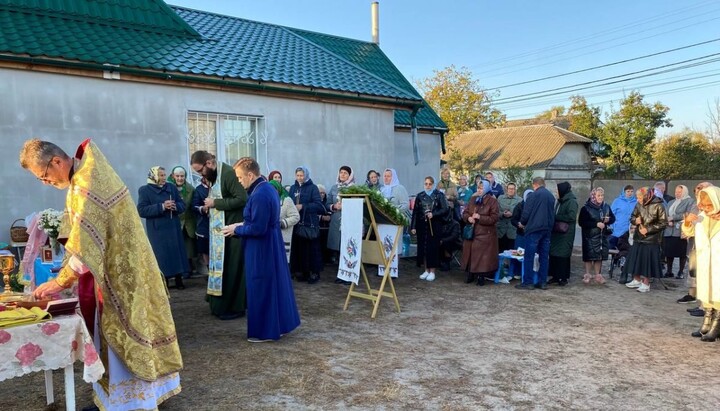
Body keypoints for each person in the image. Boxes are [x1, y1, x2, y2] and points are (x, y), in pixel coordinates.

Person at [22, 139, 182, 410]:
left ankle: (131, 402)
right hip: (117, 272)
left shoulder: (87, 183)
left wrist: (59, 282)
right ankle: (131, 397)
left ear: (57, 162)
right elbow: (79, 236)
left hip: (121, 277)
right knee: (124, 331)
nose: (45, 183)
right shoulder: (83, 176)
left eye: (45, 176)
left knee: (123, 334)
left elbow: (87, 247)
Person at [221, 158, 301, 342]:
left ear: (250, 175)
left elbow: (258, 228)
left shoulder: (260, 194)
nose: (239, 182)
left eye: (240, 178)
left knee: (261, 286)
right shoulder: (266, 189)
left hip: (261, 247)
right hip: (270, 242)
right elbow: (260, 221)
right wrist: (240, 224)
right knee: (273, 284)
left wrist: (236, 229)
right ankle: (278, 325)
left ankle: (265, 331)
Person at [190, 151, 248, 320]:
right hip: (219, 232)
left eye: (201, 171)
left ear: (209, 163)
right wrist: (210, 205)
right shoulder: (214, 175)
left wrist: (215, 203)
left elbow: (242, 199)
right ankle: (219, 305)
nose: (201, 175)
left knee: (231, 268)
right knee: (219, 268)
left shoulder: (228, 173)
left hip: (232, 231)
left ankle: (234, 307)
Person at [137, 166, 190, 290]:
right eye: (160, 175)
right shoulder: (144, 190)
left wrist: (175, 206)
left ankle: (179, 279)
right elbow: (142, 210)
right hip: (157, 230)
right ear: (153, 176)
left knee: (176, 252)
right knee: (161, 255)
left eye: (164, 175)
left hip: (173, 227)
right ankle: (163, 281)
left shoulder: (171, 188)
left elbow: (182, 204)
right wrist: (161, 206)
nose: (164, 178)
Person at [685, 186, 720, 340]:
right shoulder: (702, 216)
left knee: (718, 293)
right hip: (705, 261)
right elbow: (688, 232)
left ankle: (716, 326)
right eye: (703, 205)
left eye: (709, 205)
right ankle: (706, 322)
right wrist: (687, 222)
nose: (706, 208)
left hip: (718, 262)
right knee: (706, 292)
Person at [624, 187, 668, 293]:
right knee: (636, 259)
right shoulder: (638, 204)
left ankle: (646, 283)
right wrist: (635, 220)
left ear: (646, 196)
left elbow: (663, 223)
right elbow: (632, 217)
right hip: (638, 237)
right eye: (637, 197)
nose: (638, 199)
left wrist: (648, 230)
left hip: (652, 239)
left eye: (640, 197)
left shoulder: (658, 205)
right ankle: (637, 279)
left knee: (647, 262)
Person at [678, 182, 713, 310]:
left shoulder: (714, 206)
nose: (698, 192)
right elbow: (690, 221)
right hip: (695, 243)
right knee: (693, 270)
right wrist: (686, 224)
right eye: (697, 190)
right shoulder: (695, 204)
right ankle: (692, 295)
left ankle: (706, 306)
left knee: (707, 275)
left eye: (701, 189)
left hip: (710, 247)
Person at [516, 177, 555, 290]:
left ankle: (528, 282)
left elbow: (526, 213)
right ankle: (543, 282)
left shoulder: (533, 195)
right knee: (544, 256)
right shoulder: (551, 196)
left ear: (535, 185)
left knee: (529, 256)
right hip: (547, 229)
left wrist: (523, 223)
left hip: (534, 229)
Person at [289, 166, 325, 284]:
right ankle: (301, 271)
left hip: (309, 223)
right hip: (297, 223)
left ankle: (314, 272)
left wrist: (303, 206)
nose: (300, 178)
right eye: (298, 175)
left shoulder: (313, 188)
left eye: (302, 175)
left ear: (306, 175)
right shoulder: (293, 188)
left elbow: (318, 205)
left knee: (311, 249)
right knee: (300, 248)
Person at [410, 176, 450, 282]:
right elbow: (415, 212)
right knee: (423, 248)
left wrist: (434, 214)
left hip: (435, 225)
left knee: (433, 248)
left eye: (430, 184)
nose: (428, 186)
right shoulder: (420, 196)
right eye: (426, 184)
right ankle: (426, 269)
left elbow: (445, 209)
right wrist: (413, 226)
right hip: (422, 225)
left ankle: (432, 271)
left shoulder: (439, 195)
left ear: (433, 184)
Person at [461, 179, 500, 286]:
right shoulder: (473, 199)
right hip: (472, 232)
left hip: (485, 234)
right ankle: (470, 273)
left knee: (482, 257)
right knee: (470, 254)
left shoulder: (492, 201)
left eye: (482, 188)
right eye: (478, 187)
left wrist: (480, 217)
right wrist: (468, 218)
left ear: (487, 189)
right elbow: (465, 212)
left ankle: (481, 276)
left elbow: (494, 218)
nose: (479, 190)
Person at [578, 187, 615, 285]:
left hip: (602, 236)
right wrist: (596, 224)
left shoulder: (606, 206)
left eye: (602, 195)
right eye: (598, 195)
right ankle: (587, 274)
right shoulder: (586, 208)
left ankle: (598, 275)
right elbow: (581, 222)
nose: (601, 197)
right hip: (589, 236)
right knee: (589, 255)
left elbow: (613, 218)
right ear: (593, 196)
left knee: (599, 256)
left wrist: (608, 220)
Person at [169, 165, 198, 276]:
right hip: (174, 222)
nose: (180, 178)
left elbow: (193, 205)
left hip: (187, 223)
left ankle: (187, 270)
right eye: (177, 176)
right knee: (174, 248)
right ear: (173, 176)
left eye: (182, 176)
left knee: (188, 249)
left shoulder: (191, 189)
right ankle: (175, 272)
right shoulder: (168, 188)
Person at [549, 182, 578, 287]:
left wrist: (556, 217)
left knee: (563, 255)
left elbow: (571, 216)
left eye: (557, 190)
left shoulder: (571, 201)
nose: (556, 192)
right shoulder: (560, 201)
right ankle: (555, 276)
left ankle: (563, 277)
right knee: (554, 254)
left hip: (566, 233)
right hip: (557, 232)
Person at [663, 185, 694, 278]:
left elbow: (688, 214)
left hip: (680, 229)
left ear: (684, 192)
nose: (677, 193)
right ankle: (669, 271)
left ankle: (680, 272)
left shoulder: (689, 201)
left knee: (682, 252)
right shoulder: (671, 202)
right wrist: (667, 221)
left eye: (680, 192)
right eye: (676, 192)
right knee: (669, 252)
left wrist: (673, 218)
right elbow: (665, 213)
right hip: (669, 230)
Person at [327, 165, 356, 264]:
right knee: (335, 240)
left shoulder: (354, 188)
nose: (342, 175)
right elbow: (327, 204)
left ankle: (346, 260)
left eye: (345, 173)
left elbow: (358, 204)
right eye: (341, 172)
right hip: (336, 218)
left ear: (350, 175)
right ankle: (334, 256)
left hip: (348, 219)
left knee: (347, 242)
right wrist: (334, 206)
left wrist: (347, 206)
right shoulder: (334, 188)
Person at [270, 180, 300, 262]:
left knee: (282, 261)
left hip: (282, 235)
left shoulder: (287, 200)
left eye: (274, 189)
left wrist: (282, 223)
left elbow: (296, 216)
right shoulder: (268, 201)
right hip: (270, 237)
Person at [191, 176, 210, 276]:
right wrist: (202, 209)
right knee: (205, 249)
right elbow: (194, 206)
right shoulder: (199, 190)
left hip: (219, 223)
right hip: (204, 224)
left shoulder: (219, 187)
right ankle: (209, 271)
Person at [610, 185, 636, 250]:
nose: (630, 193)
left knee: (627, 250)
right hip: (618, 230)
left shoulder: (636, 202)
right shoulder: (617, 201)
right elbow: (611, 214)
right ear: (624, 192)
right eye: (628, 191)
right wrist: (612, 226)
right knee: (616, 250)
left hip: (630, 231)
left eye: (631, 191)